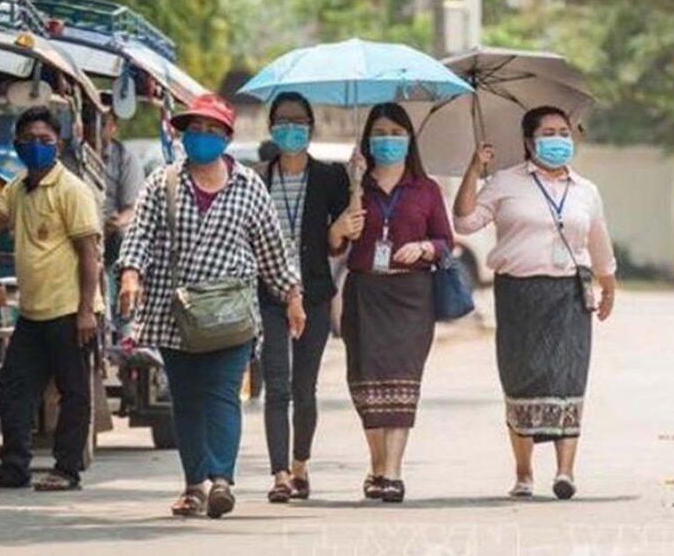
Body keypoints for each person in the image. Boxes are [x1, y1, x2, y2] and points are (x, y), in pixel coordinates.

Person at [115, 93, 306, 518]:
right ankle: (193, 485)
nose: (200, 137)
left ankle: (221, 479)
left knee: (222, 394)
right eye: (193, 130)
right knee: (185, 399)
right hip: (175, 314)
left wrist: (292, 296)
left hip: (230, 314)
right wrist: (131, 274)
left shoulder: (249, 186)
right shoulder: (161, 182)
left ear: (226, 136)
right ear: (182, 136)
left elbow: (272, 249)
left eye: (210, 130)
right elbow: (140, 236)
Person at [453, 106, 617, 500]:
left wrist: (608, 285)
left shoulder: (586, 191)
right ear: (529, 141)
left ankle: (565, 472)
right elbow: (464, 222)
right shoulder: (505, 182)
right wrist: (474, 169)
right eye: (549, 132)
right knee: (521, 380)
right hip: (519, 294)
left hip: (569, 294)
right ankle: (524, 473)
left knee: (568, 379)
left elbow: (599, 243)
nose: (559, 139)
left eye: (564, 132)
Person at [0, 106, 104, 492]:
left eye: (45, 141)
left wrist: (84, 311)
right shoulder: (17, 187)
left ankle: (66, 470)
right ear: (17, 145)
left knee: (73, 392)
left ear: (58, 144)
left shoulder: (72, 190)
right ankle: (14, 468)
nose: (38, 147)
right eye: (29, 141)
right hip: (32, 312)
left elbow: (89, 253)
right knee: (14, 388)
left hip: (69, 311)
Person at [340, 102, 453, 503]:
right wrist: (353, 186)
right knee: (366, 384)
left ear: (409, 139)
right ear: (368, 139)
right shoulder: (353, 181)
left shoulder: (426, 189)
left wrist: (424, 247)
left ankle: (393, 472)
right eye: (381, 133)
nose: (388, 140)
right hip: (364, 292)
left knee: (403, 382)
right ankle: (376, 465)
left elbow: (446, 242)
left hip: (411, 296)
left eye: (396, 133)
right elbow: (336, 242)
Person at [256, 92, 363, 503]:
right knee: (276, 385)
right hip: (269, 294)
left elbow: (341, 241)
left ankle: (301, 465)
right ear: (271, 127)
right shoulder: (257, 177)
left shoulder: (330, 177)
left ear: (311, 127)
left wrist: (355, 185)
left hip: (315, 293)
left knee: (304, 387)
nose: (290, 128)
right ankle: (280, 474)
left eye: (298, 121)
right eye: (282, 121)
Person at [99, 99, 145, 269]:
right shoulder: (70, 155)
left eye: (102, 123)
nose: (95, 127)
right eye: (89, 119)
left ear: (113, 127)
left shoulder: (125, 157)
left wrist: (113, 225)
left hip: (110, 235)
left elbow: (133, 208)